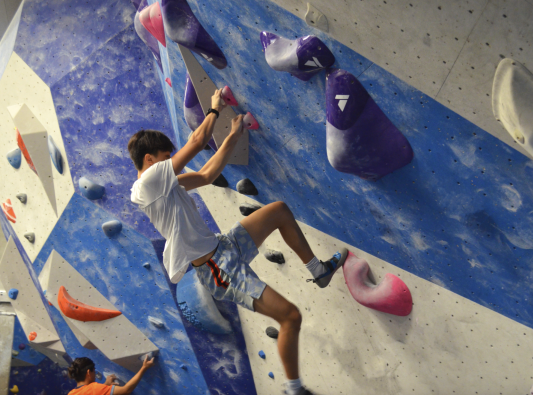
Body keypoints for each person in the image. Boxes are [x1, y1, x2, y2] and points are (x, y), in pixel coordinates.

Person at [128, 89, 347, 395]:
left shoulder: (165, 185)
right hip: (218, 269)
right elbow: (196, 143)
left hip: (224, 247)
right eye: (166, 158)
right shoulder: (146, 185)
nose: (171, 164)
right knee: (290, 317)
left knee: (279, 211)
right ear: (150, 160)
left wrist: (235, 132)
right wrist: (214, 109)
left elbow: (206, 174)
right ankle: (294, 389)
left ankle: (318, 270)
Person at [67, 355, 155, 394]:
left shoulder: (71, 393)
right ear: (88, 373)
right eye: (94, 371)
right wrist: (144, 368)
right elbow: (126, 390)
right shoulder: (94, 389)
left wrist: (105, 386)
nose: (94, 374)